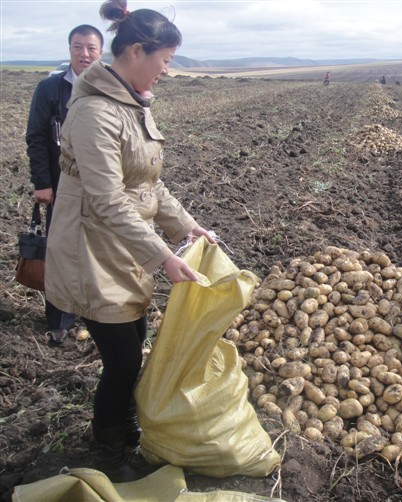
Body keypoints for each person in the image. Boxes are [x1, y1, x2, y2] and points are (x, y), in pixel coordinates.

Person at [45, 0, 215, 482]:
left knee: (132, 344)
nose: (167, 70)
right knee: (120, 357)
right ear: (137, 51)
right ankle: (109, 449)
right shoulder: (95, 111)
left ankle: (124, 426)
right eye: (164, 59)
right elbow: (105, 199)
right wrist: (162, 255)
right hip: (92, 249)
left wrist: (185, 227)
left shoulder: (131, 102)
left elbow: (147, 185)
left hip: (123, 245)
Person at [26, 24, 104, 345]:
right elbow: (36, 137)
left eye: (91, 48)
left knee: (96, 251)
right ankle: (59, 320)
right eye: (77, 47)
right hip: (62, 186)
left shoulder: (111, 88)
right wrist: (43, 183)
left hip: (101, 188)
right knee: (60, 253)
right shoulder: (50, 89)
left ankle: (96, 314)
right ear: (69, 49)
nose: (84, 54)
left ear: (101, 51)